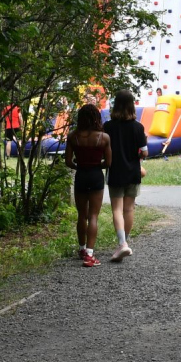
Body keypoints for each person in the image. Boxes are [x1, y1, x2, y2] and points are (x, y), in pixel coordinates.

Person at [103, 88, 147, 263]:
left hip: (115, 172)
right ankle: (124, 243)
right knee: (129, 209)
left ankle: (122, 244)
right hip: (133, 172)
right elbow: (144, 152)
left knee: (117, 209)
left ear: (115, 105)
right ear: (132, 105)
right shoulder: (138, 127)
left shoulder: (107, 127)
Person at [65, 104, 111, 267]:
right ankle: (90, 255)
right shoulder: (104, 138)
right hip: (96, 176)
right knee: (93, 216)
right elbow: (108, 162)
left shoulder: (73, 136)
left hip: (81, 176)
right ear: (96, 118)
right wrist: (97, 165)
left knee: (81, 215)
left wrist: (79, 166)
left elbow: (68, 162)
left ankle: (82, 249)